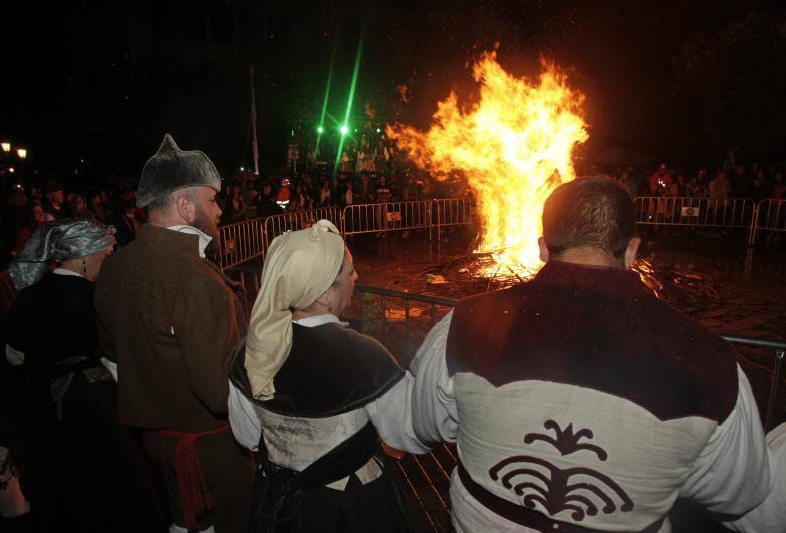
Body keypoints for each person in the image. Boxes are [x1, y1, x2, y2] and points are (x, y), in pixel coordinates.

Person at [411, 177, 772, 532]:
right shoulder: (709, 359)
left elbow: (424, 421)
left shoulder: (465, 323)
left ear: (542, 247)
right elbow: (738, 493)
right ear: (632, 250)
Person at [94, 134, 254, 533]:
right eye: (212, 200)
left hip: (157, 443)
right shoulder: (197, 280)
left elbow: (110, 355)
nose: (219, 210)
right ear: (184, 207)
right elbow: (221, 392)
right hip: (212, 452)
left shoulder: (114, 267)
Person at [228, 220, 429, 532]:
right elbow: (407, 434)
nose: (357, 277)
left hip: (280, 506)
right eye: (350, 272)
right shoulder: (365, 356)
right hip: (350, 509)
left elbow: (247, 436)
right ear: (324, 293)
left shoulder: (249, 352)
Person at [4, 218, 155, 532]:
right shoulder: (92, 297)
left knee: (61, 484)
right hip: (90, 405)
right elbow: (116, 351)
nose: (107, 260)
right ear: (84, 256)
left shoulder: (29, 296)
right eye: (104, 254)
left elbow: (13, 356)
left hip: (42, 406)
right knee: (107, 481)